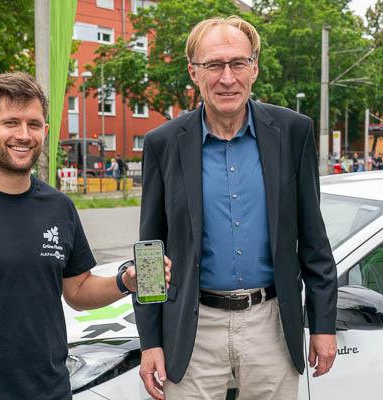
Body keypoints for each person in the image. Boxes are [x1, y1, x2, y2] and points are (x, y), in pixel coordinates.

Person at [0, 72, 171, 400]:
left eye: (34, 124)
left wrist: (126, 282)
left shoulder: (59, 207)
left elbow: (78, 290)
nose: (24, 135)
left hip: (50, 391)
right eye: (11, 122)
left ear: (46, 131)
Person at [135, 16, 337, 400]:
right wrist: (150, 341)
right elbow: (150, 251)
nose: (227, 78)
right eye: (214, 65)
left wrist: (324, 324)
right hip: (193, 328)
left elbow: (314, 239)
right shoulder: (163, 143)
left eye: (238, 63)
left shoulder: (293, 132)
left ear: (254, 68)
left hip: (272, 325)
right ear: (193, 72)